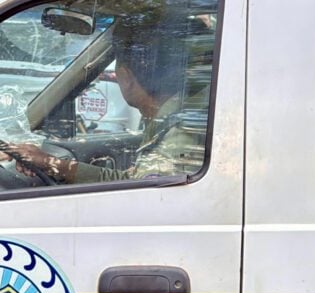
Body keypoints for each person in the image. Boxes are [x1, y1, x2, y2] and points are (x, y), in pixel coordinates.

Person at [15, 16, 204, 183]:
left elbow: (138, 192)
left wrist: (53, 164)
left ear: (125, 77)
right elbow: (132, 181)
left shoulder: (179, 133)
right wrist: (52, 163)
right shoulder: (176, 116)